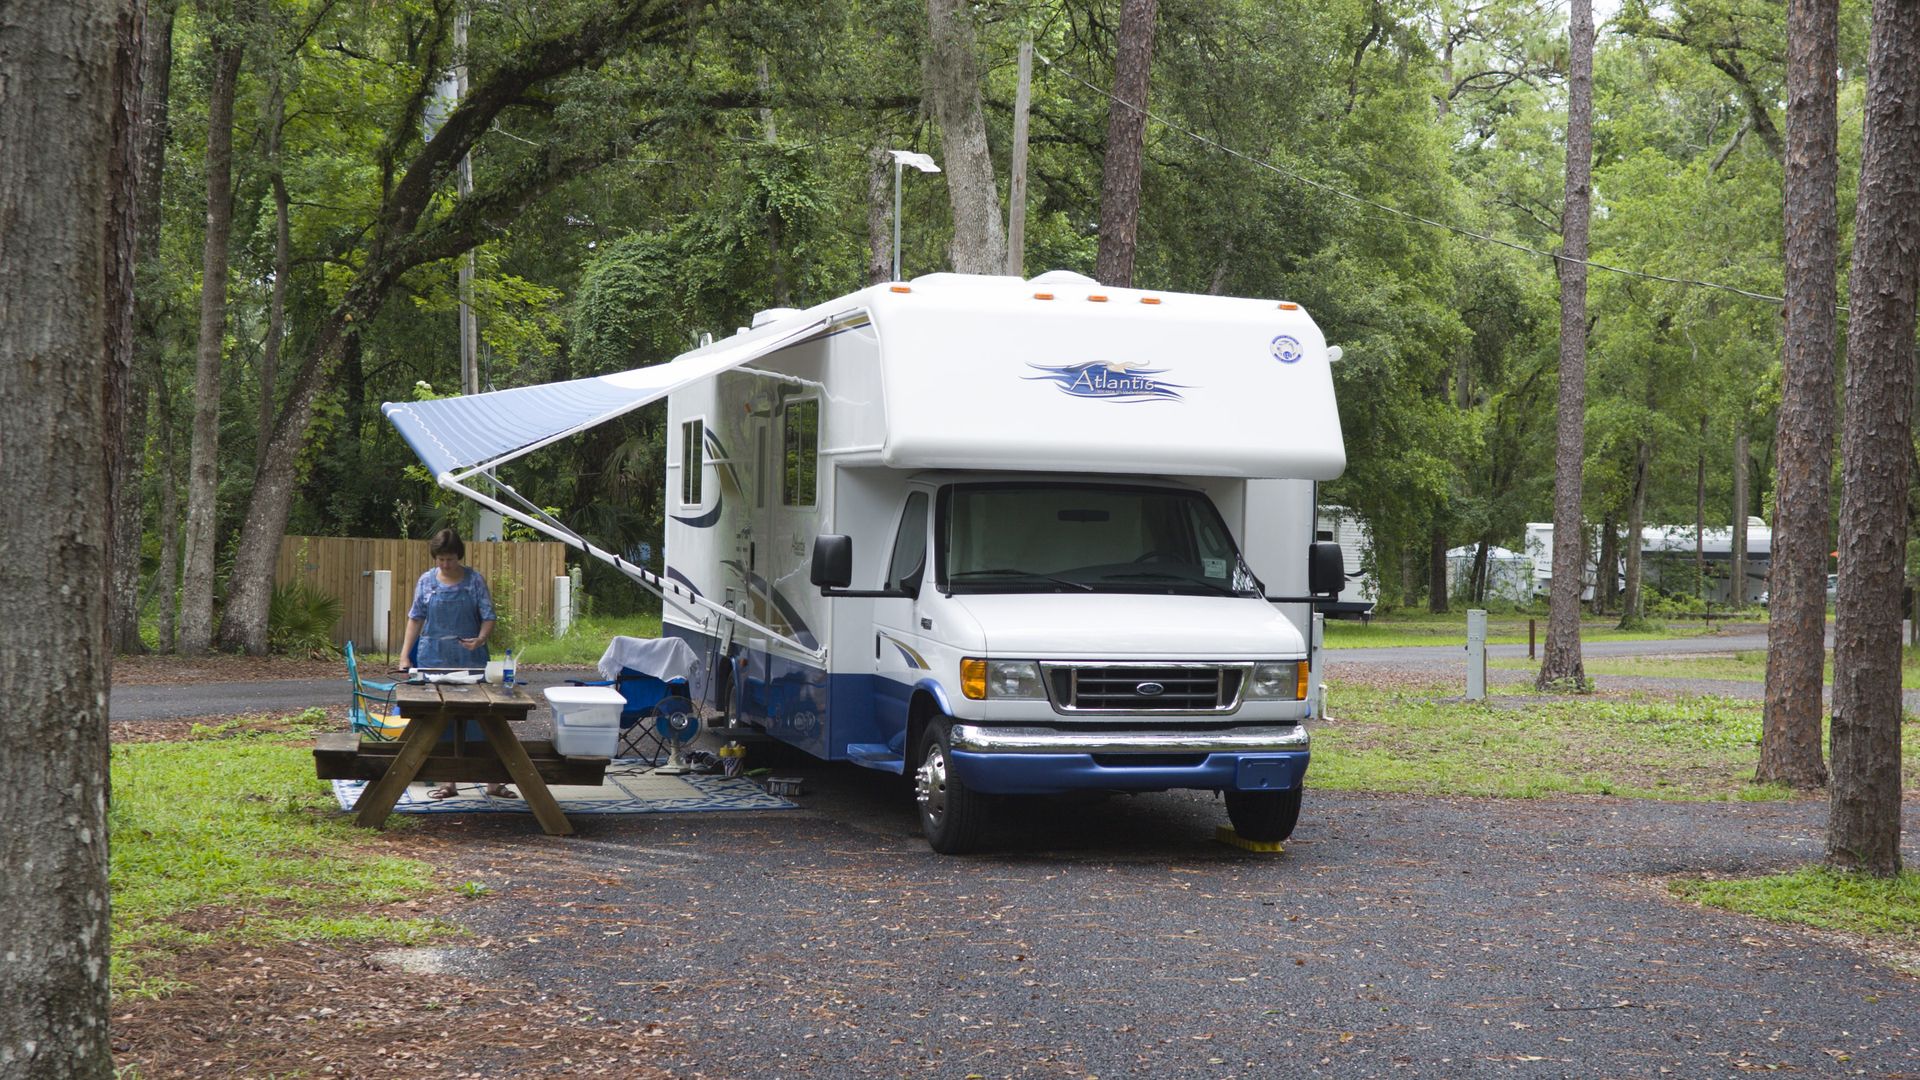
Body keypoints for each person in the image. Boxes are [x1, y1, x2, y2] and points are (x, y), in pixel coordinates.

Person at [399, 529, 515, 800]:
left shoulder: (474, 581)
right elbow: (415, 618)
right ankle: (447, 782)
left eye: (450, 559)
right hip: (433, 658)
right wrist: (405, 656)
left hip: (470, 659)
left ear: (458, 557)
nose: (445, 564)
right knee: (439, 720)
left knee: (484, 718)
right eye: (441, 559)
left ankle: (493, 782)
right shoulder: (426, 581)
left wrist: (480, 639)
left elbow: (488, 616)